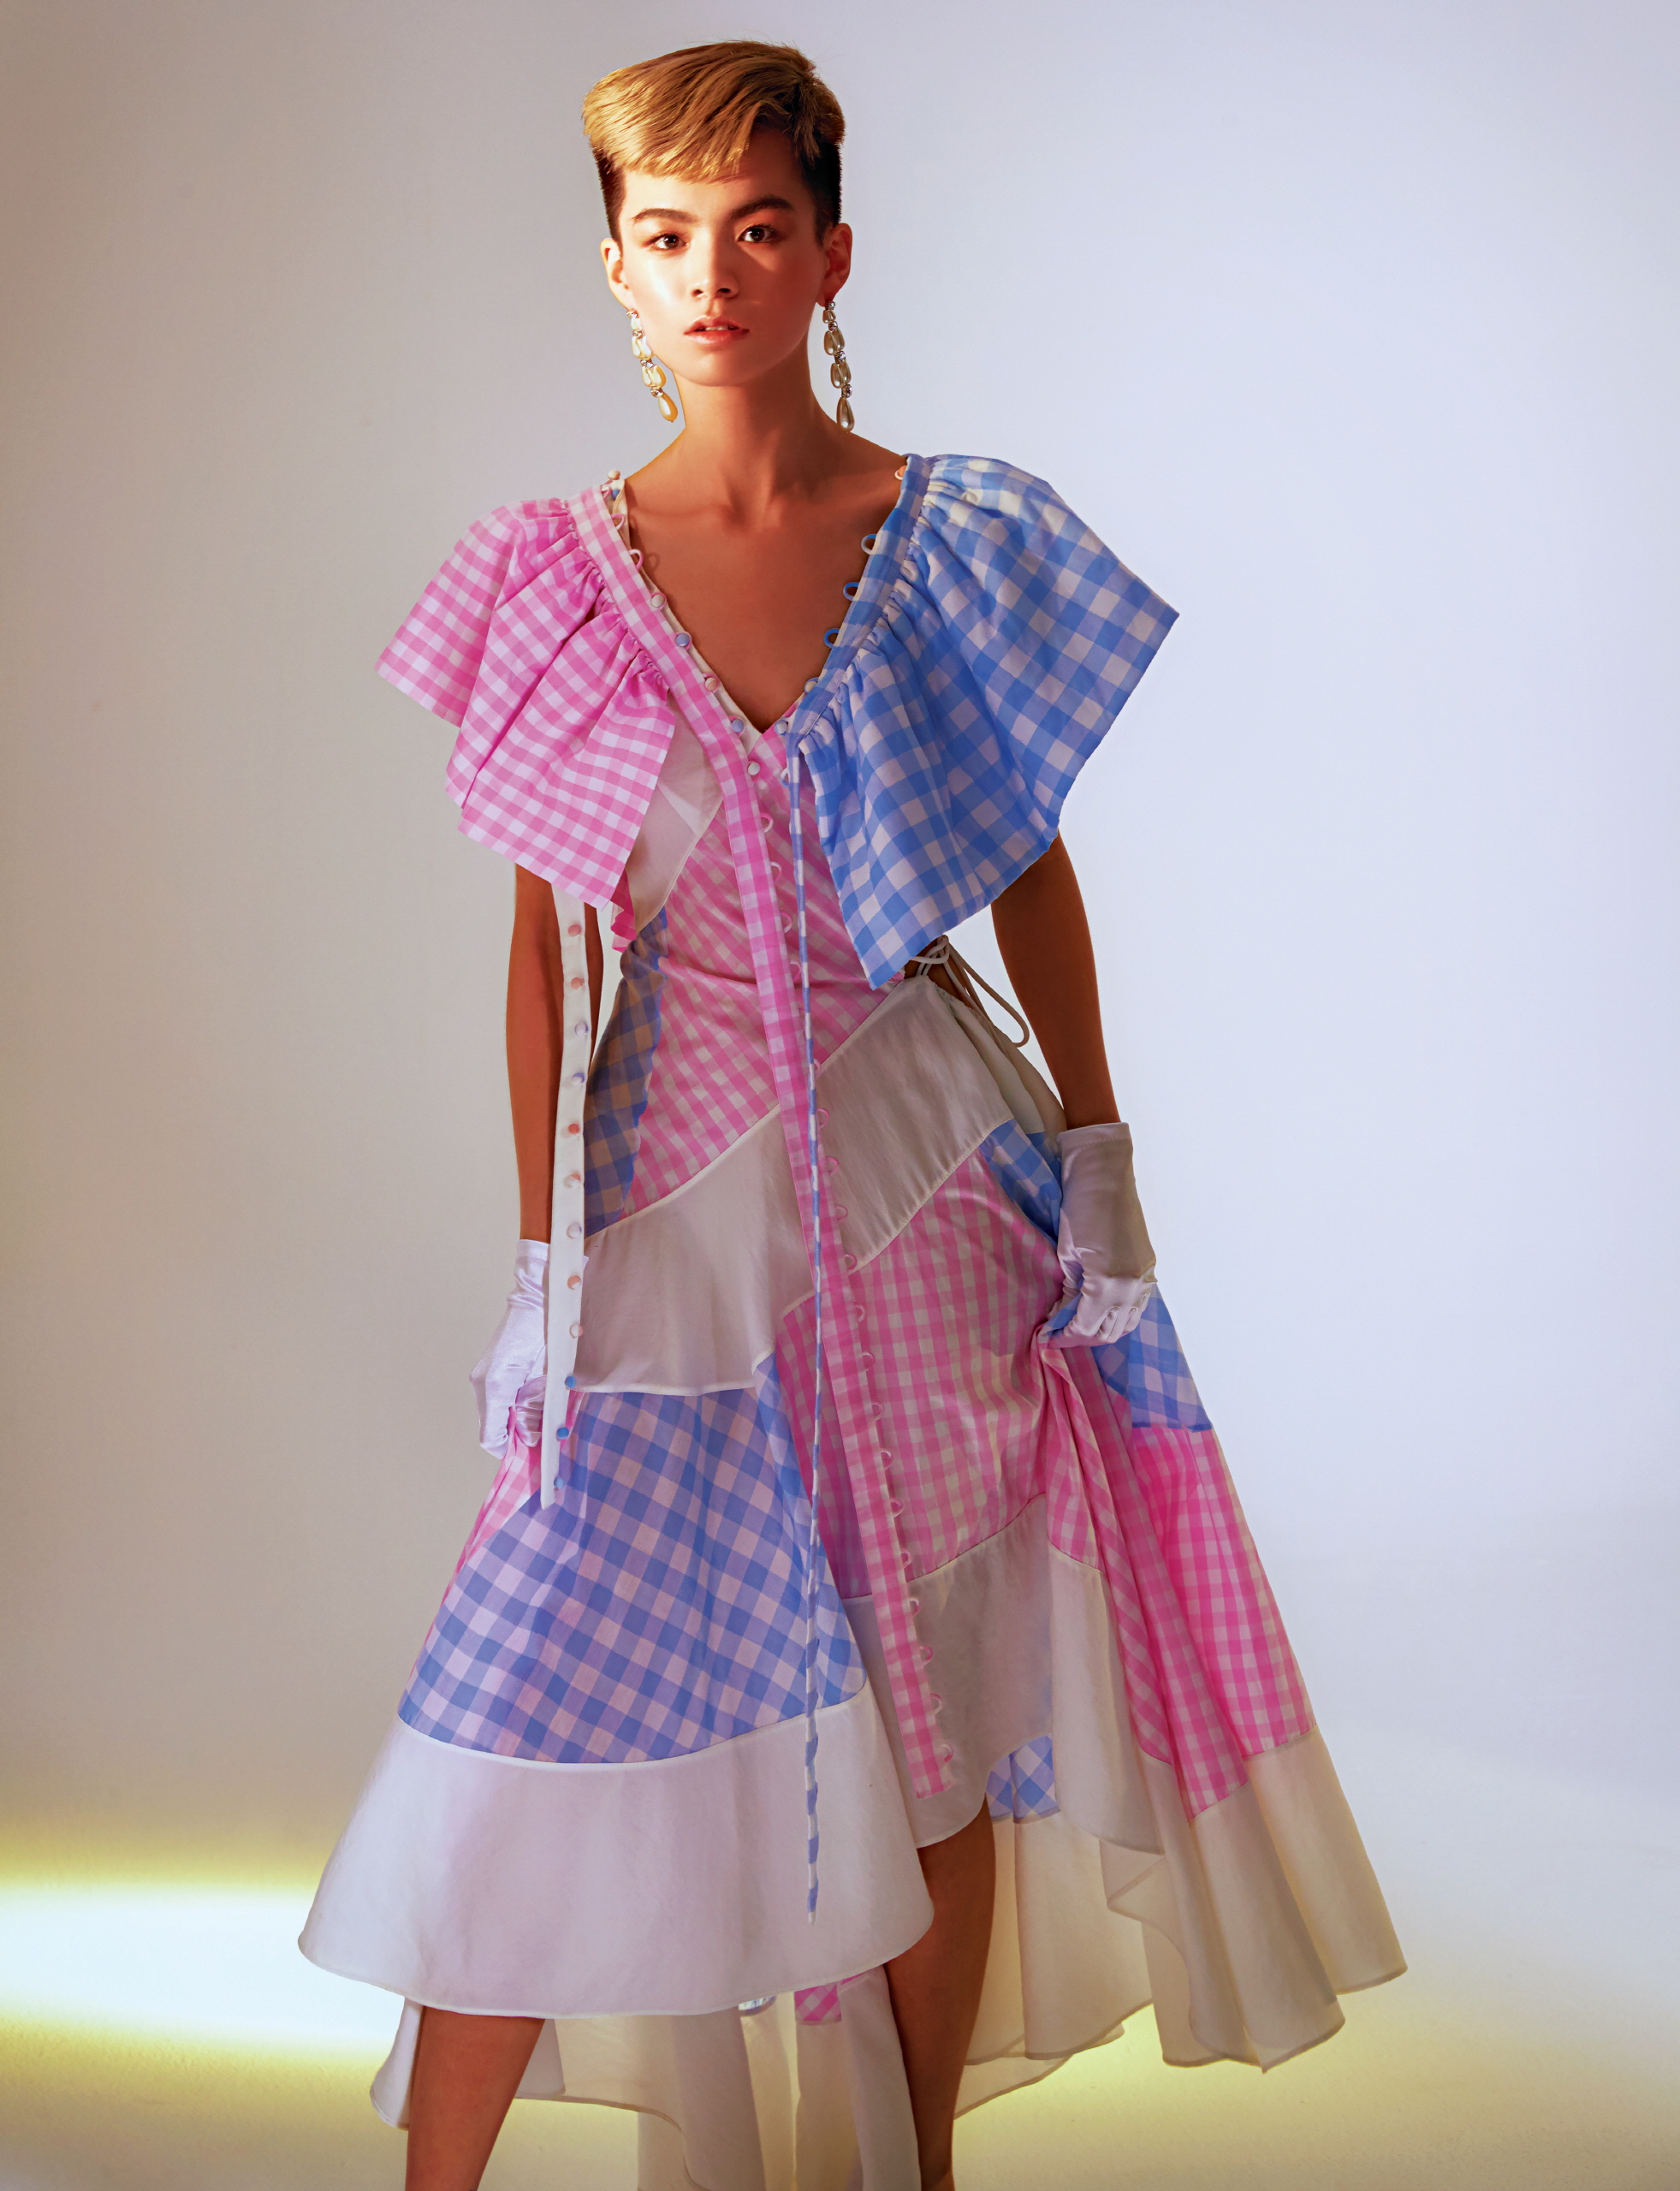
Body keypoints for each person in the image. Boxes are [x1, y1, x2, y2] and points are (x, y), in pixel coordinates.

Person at [301, 39, 1404, 2191]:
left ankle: (913, 2169)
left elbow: (1028, 864)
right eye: (666, 236)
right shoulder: (549, 575)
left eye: (757, 227)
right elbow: (544, 952)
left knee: (920, 1707)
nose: (711, 275)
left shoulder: (953, 537)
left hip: (927, 1193)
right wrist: (540, 1267)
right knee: (534, 1701)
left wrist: (1103, 1165)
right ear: (617, 270)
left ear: (827, 252)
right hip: (670, 1202)